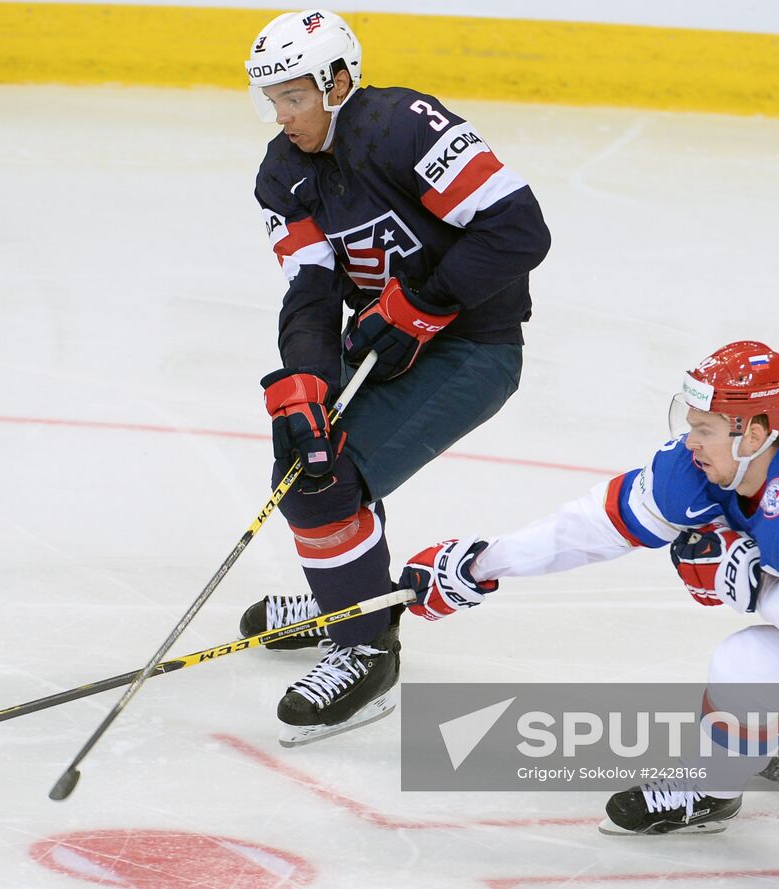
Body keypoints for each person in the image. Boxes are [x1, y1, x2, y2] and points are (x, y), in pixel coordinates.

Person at [399, 340, 779, 834]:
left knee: (748, 663)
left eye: (705, 426)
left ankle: (710, 790)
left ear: (755, 431)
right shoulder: (723, 463)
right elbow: (596, 525)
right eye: (690, 420)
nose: (688, 439)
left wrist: (755, 587)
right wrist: (484, 564)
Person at [239, 9, 551, 747]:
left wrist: (425, 300)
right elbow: (310, 293)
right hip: (387, 339)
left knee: (330, 480)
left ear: (338, 81)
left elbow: (519, 227)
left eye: (295, 97)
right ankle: (347, 603)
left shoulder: (403, 126)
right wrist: (307, 381)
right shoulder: (284, 174)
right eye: (272, 101)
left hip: (474, 346)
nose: (283, 118)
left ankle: (367, 649)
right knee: (303, 456)